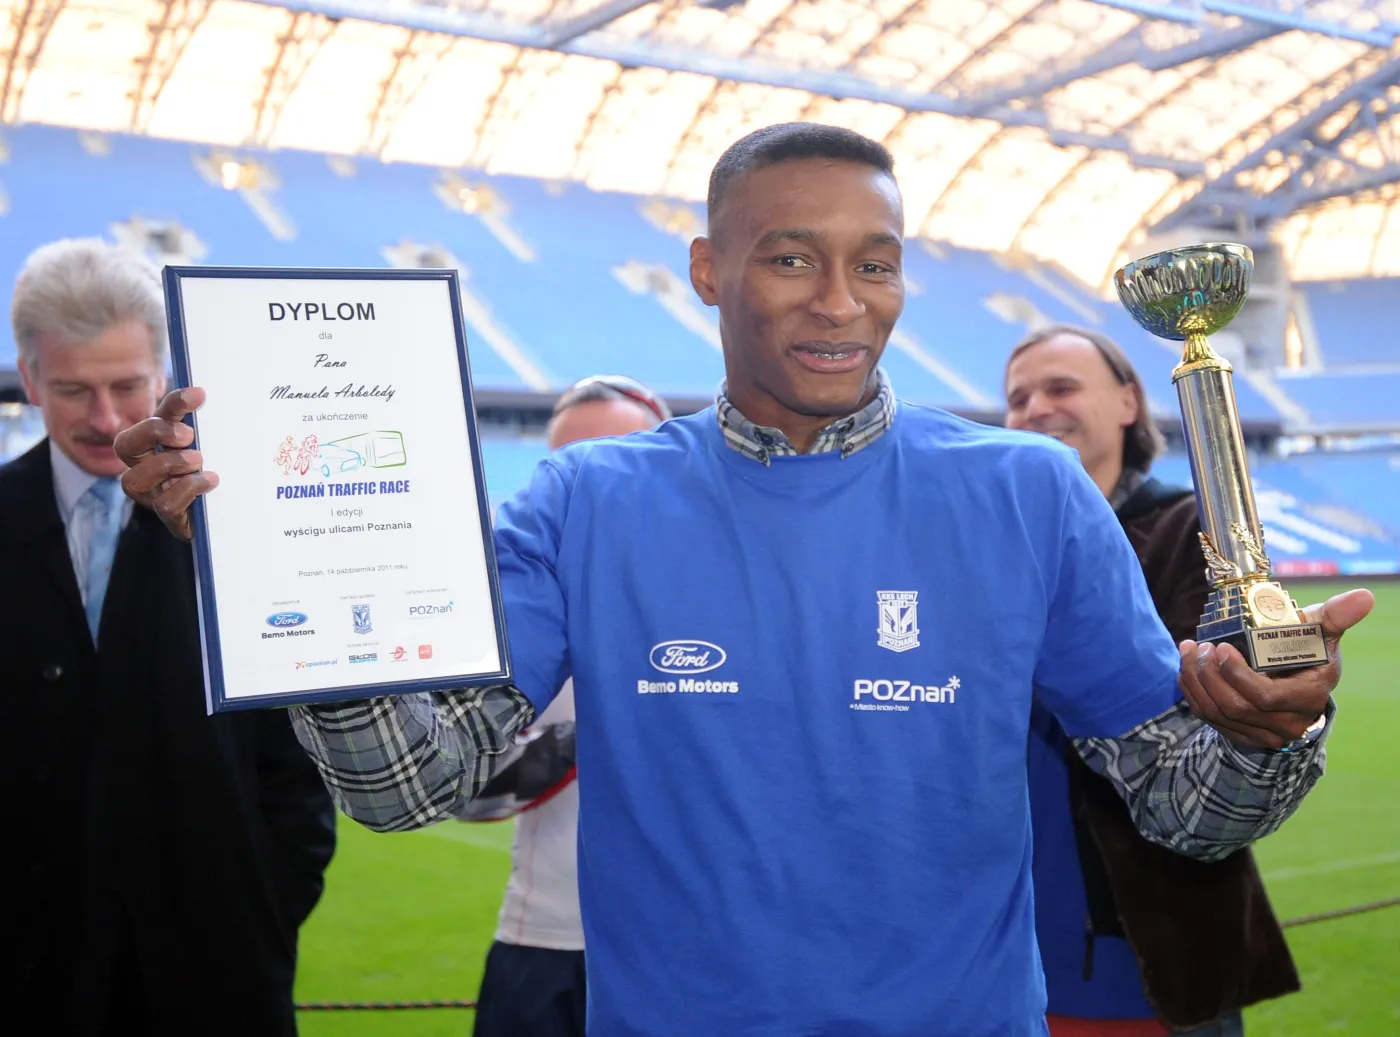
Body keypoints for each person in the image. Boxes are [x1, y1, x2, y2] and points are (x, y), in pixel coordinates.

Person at [116, 124, 1372, 1037]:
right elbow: (413, 782)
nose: (842, 302)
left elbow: (1184, 806)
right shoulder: (584, 499)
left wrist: (1265, 731)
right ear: (707, 269)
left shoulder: (1023, 492)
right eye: (788, 259)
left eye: (874, 263)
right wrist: (278, 555)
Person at [1, 239, 337, 1036]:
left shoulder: (249, 520)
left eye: (125, 386)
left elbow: (297, 761)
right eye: (73, 389)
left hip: (217, 975)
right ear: (28, 374)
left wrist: (258, 907)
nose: (106, 418)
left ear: (164, 374)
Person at [1005, 325, 1301, 1037]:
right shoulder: (997, 537)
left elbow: (1217, 720)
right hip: (1005, 944)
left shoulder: (1197, 532)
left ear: (1129, 401)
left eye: (1061, 386)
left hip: (1150, 944)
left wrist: (1288, 695)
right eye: (1017, 398)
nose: (1036, 407)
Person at [462, 375, 672, 1037]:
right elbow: (462, 790)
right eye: (569, 464)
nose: (594, 483)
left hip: (691, 950)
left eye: (618, 456)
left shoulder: (739, 600)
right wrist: (589, 737)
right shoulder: (515, 612)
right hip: (548, 942)